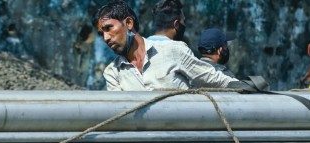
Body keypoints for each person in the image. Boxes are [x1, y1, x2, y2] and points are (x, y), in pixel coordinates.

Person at [94, 0, 238, 91]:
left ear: (129, 23)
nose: (106, 38)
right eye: (101, 34)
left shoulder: (174, 50)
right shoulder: (112, 73)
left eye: (108, 28)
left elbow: (212, 79)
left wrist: (248, 87)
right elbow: (119, 114)